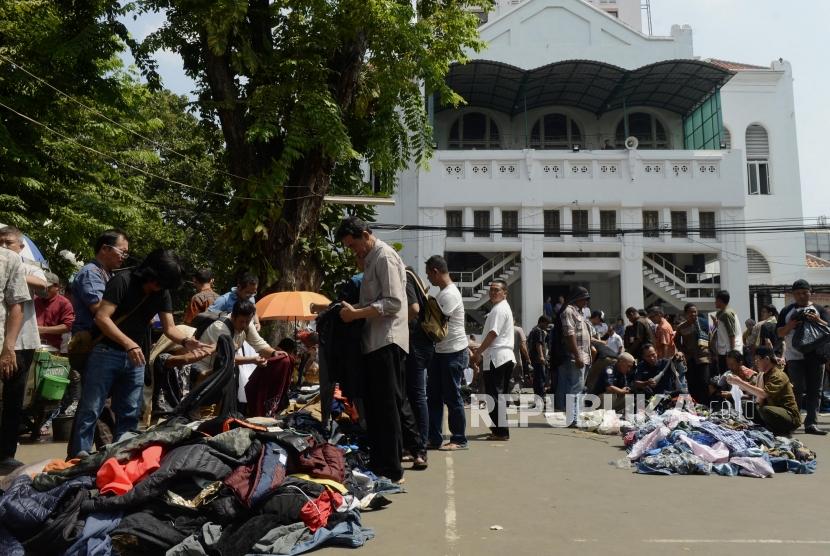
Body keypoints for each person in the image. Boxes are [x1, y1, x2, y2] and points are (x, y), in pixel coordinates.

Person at [69, 249, 208, 457]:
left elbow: (170, 328)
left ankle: (122, 455)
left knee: (130, 411)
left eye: (163, 286)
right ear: (150, 273)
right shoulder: (122, 281)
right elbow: (102, 318)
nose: (158, 288)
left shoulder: (162, 292)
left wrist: (187, 341)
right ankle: (77, 456)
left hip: (136, 358)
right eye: (158, 283)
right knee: (92, 407)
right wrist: (128, 344)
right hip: (106, 351)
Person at [337, 216, 412, 482]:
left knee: (387, 407)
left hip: (387, 341)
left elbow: (392, 303)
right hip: (374, 341)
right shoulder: (370, 261)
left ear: (365, 235)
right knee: (377, 407)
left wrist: (356, 315)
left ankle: (392, 468)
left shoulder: (384, 257)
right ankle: (382, 464)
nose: (353, 250)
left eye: (353, 244)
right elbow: (372, 302)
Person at [67, 229, 130, 412]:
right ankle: (105, 442)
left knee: (98, 404)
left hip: (104, 344)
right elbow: (100, 310)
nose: (124, 257)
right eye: (122, 251)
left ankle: (85, 441)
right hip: (93, 345)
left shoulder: (108, 274)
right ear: (105, 249)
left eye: (126, 253)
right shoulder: (91, 273)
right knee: (97, 405)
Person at [425, 255, 469, 452]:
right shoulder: (443, 293)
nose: (429, 279)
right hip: (441, 351)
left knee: (452, 397)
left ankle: (459, 439)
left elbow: (437, 321)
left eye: (429, 275)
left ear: (435, 271)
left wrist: (424, 301)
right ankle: (434, 438)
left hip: (453, 352)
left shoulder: (449, 294)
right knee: (433, 396)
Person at [777, 279, 829, 435]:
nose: (801, 296)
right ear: (793, 294)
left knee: (815, 391)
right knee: (796, 390)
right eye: (798, 293)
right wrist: (791, 325)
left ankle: (811, 424)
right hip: (794, 356)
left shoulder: (819, 309)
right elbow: (779, 333)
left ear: (810, 292)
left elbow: (828, 330)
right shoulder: (787, 311)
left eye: (804, 292)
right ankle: (794, 421)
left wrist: (817, 320)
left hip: (817, 356)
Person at [0, 227, 47, 395]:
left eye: (9, 243)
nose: (4, 246)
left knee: (14, 393)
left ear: (20, 247)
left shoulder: (30, 267)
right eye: (0, 242)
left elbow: (43, 284)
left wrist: (12, 272)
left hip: (22, 341)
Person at [190, 300, 280, 384]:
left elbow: (259, 344)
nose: (244, 325)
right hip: (203, 371)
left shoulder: (248, 324)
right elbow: (227, 357)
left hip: (221, 371)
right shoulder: (220, 328)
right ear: (233, 316)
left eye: (247, 322)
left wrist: (274, 353)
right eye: (241, 322)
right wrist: (253, 360)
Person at [0, 244, 31, 473]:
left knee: (10, 402)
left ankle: (5, 455)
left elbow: (16, 305)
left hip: (3, 344)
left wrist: (9, 347)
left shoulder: (9, 259)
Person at [471, 279, 515, 441]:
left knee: (494, 396)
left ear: (504, 293)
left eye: (497, 290)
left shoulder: (499, 309)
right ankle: (499, 429)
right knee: (498, 395)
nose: (493, 292)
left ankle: (501, 431)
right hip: (502, 356)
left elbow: (493, 334)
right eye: (491, 290)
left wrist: (479, 352)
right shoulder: (501, 308)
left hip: (498, 357)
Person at [726, 346, 801, 436]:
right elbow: (754, 391)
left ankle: (779, 432)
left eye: (758, 360)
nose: (756, 363)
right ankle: (764, 427)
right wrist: (738, 384)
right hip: (773, 409)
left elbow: (763, 394)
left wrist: (741, 383)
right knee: (746, 405)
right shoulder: (763, 375)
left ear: (766, 359)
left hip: (789, 416)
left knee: (765, 410)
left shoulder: (778, 375)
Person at [402, 267, 434, 465]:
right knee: (413, 396)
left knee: (416, 396)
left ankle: (420, 449)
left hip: (415, 344)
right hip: (421, 344)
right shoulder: (414, 277)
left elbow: (414, 308)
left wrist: (396, 324)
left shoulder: (404, 276)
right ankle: (414, 447)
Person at [556, 287, 592, 424]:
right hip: (577, 356)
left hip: (585, 355)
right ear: (577, 298)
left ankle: (576, 417)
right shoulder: (569, 311)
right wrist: (577, 356)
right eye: (585, 299)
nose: (586, 302)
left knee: (580, 388)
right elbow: (569, 334)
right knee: (575, 388)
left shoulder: (580, 313)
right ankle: (572, 419)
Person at [674, 303, 711, 404]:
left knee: (704, 382)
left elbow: (711, 338)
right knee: (692, 383)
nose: (693, 314)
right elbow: (676, 340)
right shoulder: (681, 327)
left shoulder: (704, 323)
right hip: (690, 359)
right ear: (686, 314)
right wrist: (682, 350)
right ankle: (695, 404)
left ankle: (705, 404)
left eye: (695, 312)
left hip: (703, 358)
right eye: (691, 312)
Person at [35, 273, 75, 352]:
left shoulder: (64, 303)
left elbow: (67, 326)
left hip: (52, 348)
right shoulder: (35, 300)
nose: (43, 290)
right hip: (32, 345)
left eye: (47, 288)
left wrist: (42, 329)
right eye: (41, 288)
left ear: (57, 287)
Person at [713, 290, 742, 373]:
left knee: (729, 377)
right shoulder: (721, 313)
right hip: (724, 351)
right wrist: (716, 324)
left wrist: (732, 354)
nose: (715, 302)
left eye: (716, 300)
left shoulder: (727, 314)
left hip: (729, 352)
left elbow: (731, 334)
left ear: (720, 301)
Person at [527, 315, 551, 403]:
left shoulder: (533, 330)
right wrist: (541, 356)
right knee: (540, 380)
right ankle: (540, 399)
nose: (547, 326)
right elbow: (539, 344)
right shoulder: (538, 331)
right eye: (546, 324)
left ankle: (538, 400)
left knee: (537, 380)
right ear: (542, 322)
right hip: (538, 359)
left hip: (534, 359)